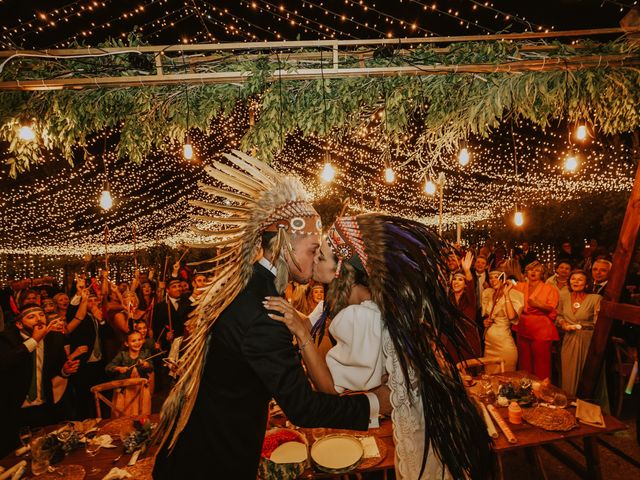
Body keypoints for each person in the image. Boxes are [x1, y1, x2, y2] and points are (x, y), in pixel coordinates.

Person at [152, 151, 391, 479]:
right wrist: (377, 404)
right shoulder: (264, 310)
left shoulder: (254, 284)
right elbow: (304, 408)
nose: (315, 259)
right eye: (311, 250)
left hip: (200, 446)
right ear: (283, 246)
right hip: (213, 461)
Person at [267, 214, 493, 479]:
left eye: (322, 256)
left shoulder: (360, 317)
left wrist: (301, 333)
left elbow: (328, 388)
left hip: (419, 431)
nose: (315, 259)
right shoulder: (373, 303)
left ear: (341, 269)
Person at [0, 304, 79, 456]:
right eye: (31, 317)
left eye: (41, 315)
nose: (38, 319)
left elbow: (54, 369)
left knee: (48, 452)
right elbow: (5, 363)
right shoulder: (6, 339)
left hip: (44, 407)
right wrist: (34, 340)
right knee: (16, 455)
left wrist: (64, 371)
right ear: (19, 324)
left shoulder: (55, 338)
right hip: (14, 409)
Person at [557, 270, 602, 396]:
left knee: (585, 375)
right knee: (568, 373)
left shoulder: (595, 298)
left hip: (587, 340)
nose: (575, 281)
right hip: (569, 339)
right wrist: (563, 324)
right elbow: (558, 315)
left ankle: (583, 405)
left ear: (587, 283)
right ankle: (569, 401)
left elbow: (599, 323)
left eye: (580, 279)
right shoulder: (564, 297)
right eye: (573, 279)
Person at [515, 261, 559, 380]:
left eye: (537, 270)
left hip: (541, 329)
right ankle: (525, 390)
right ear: (526, 272)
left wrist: (538, 304)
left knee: (542, 364)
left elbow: (552, 307)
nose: (533, 272)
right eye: (530, 270)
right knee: (524, 362)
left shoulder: (549, 288)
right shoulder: (519, 286)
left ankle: (542, 391)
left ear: (542, 274)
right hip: (523, 327)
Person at [481, 271, 524, 373]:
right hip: (489, 344)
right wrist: (485, 321)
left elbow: (512, 317)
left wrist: (506, 294)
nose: (493, 280)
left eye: (496, 277)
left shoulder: (514, 294)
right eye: (491, 277)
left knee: (505, 381)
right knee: (489, 379)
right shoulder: (488, 293)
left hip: (503, 344)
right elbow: (487, 315)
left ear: (503, 279)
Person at [105, 330, 153, 416]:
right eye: (133, 341)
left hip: (141, 389)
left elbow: (151, 368)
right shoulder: (122, 355)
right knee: (125, 414)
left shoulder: (145, 353)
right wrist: (118, 368)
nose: (137, 343)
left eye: (139, 339)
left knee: (142, 414)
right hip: (125, 390)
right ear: (127, 344)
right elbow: (108, 368)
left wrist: (146, 364)